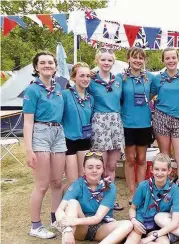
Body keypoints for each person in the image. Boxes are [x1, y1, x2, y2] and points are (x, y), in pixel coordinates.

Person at [23, 51, 66, 239]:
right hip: (40, 132)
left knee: (57, 182)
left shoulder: (60, 88)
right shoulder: (32, 89)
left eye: (50, 62)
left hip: (58, 132)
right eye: (43, 63)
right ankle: (35, 226)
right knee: (42, 185)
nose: (47, 65)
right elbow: (28, 122)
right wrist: (28, 149)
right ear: (36, 67)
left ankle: (55, 220)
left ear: (55, 66)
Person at [54, 152, 133, 244]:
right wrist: (67, 228)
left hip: (101, 226)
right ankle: (68, 236)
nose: (94, 170)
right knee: (72, 203)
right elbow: (59, 210)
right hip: (80, 227)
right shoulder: (78, 184)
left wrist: (74, 221)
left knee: (128, 224)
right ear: (84, 169)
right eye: (90, 167)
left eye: (98, 167)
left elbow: (97, 218)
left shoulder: (110, 187)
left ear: (103, 169)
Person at [88, 47, 124, 211]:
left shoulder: (118, 80)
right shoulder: (91, 80)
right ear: (97, 61)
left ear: (113, 62)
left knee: (111, 166)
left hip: (115, 122)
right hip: (99, 122)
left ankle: (109, 198)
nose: (106, 63)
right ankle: (96, 199)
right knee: (98, 164)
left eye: (109, 60)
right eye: (103, 59)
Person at [151, 48, 179, 183]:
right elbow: (149, 97)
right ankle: (165, 184)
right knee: (165, 155)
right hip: (161, 117)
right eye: (167, 58)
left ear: (177, 59)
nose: (171, 61)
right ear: (163, 60)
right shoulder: (158, 78)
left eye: (173, 58)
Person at [120, 47, 155, 204]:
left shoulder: (150, 78)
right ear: (128, 58)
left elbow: (158, 89)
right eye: (135, 57)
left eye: (141, 58)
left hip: (144, 123)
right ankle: (132, 192)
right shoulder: (121, 78)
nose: (138, 60)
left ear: (144, 60)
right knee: (130, 159)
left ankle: (141, 190)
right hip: (127, 123)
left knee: (141, 159)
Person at [126, 153, 179, 244]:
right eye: (156, 169)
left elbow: (175, 221)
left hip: (158, 227)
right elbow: (132, 208)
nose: (159, 173)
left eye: (163, 170)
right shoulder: (143, 185)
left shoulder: (175, 190)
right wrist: (134, 220)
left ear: (169, 170)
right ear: (151, 170)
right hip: (140, 223)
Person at [62, 62, 94, 191]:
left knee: (82, 176)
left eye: (88, 76)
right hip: (68, 139)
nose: (85, 79)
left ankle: (78, 204)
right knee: (72, 180)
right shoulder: (64, 95)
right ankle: (62, 203)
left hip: (84, 140)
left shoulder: (90, 98)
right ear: (74, 77)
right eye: (81, 76)